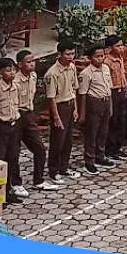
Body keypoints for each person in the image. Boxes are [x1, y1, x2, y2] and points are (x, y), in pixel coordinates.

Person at [15, 50, 60, 191]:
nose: (32, 64)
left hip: (29, 115)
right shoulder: (15, 81)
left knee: (40, 149)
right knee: (14, 152)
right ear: (20, 64)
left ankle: (38, 180)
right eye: (28, 62)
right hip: (17, 116)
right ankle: (16, 184)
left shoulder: (33, 76)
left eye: (33, 61)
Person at [0, 58, 24, 204]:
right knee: (0, 160)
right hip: (1, 127)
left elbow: (18, 104)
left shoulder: (16, 86)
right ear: (1, 73)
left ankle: (9, 190)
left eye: (13, 70)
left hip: (14, 125)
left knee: (13, 158)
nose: (12, 73)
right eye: (8, 70)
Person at [45, 41, 81, 183]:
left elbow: (74, 89)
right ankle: (53, 171)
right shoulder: (52, 73)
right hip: (59, 107)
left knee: (68, 141)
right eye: (67, 54)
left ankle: (64, 168)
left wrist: (76, 108)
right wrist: (56, 117)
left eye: (72, 53)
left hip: (70, 105)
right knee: (57, 141)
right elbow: (51, 98)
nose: (71, 57)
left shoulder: (72, 67)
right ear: (59, 54)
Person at [78, 44, 115, 174]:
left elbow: (109, 89)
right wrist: (82, 113)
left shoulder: (106, 68)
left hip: (105, 101)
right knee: (92, 133)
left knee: (103, 131)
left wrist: (110, 106)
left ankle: (100, 155)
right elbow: (82, 94)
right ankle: (89, 160)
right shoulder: (86, 73)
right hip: (94, 103)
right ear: (90, 58)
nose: (100, 59)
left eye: (102, 56)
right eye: (97, 56)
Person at [103, 36, 127, 162]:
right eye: (118, 46)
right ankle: (110, 149)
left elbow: (122, 75)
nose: (121, 48)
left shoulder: (120, 58)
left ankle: (118, 147)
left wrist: (125, 87)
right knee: (113, 121)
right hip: (112, 93)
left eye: (122, 45)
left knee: (121, 121)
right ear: (110, 48)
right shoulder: (107, 62)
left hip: (121, 91)